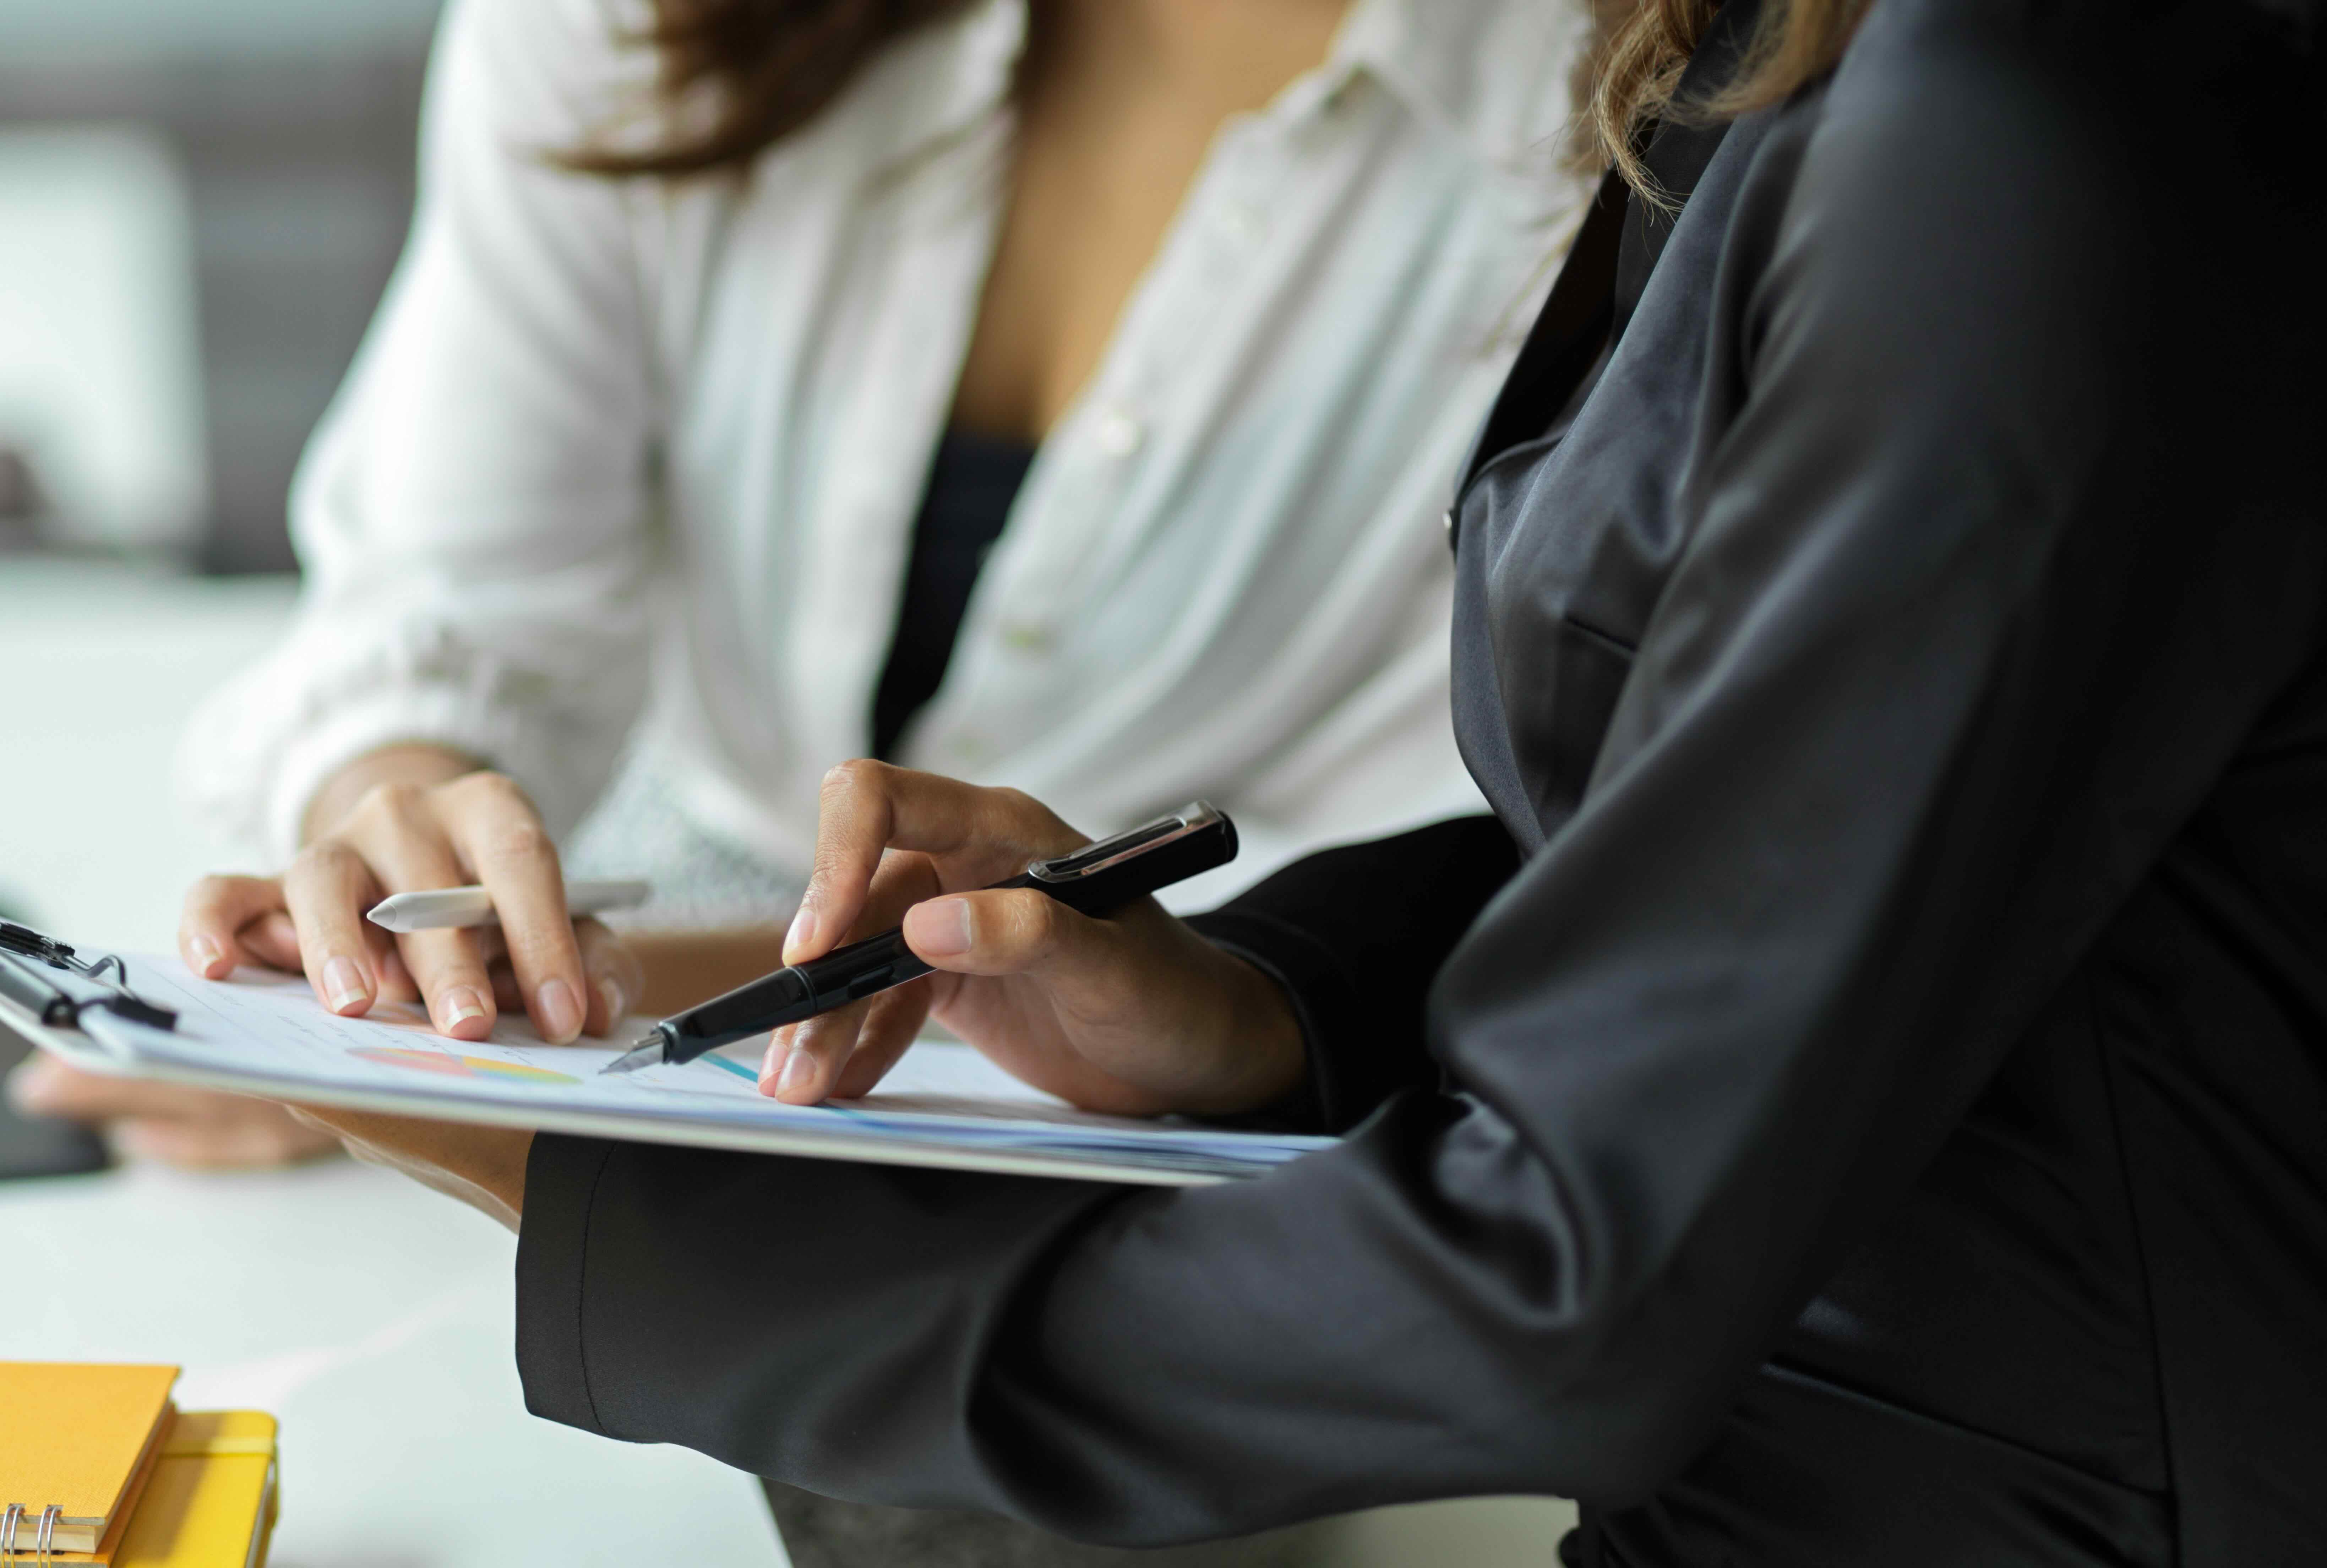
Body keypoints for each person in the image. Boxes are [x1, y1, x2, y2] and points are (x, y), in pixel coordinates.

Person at [280, 0, 2327, 1559]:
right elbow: (1743, 828)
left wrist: (624, 1212)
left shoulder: (1995, 127)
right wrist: (1254, 1009)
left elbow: (1563, 1286)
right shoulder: (1768, 59)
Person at [15, 0, 1585, 1162]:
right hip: (661, 994)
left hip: (1179, 1141)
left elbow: (1468, 863)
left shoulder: (1637, 129)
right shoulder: (639, 26)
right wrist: (408, 836)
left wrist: (583, 1012)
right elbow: (464, 589)